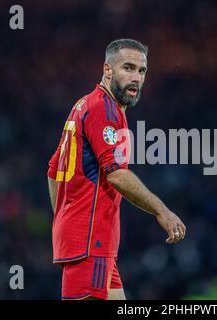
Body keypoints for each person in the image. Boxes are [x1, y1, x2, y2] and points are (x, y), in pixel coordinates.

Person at [47, 39, 186, 300]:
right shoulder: (104, 108)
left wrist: (65, 221)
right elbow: (116, 174)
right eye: (128, 68)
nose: (136, 78)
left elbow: (53, 171)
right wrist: (162, 211)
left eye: (141, 71)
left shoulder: (83, 104)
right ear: (107, 69)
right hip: (91, 242)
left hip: (91, 243)